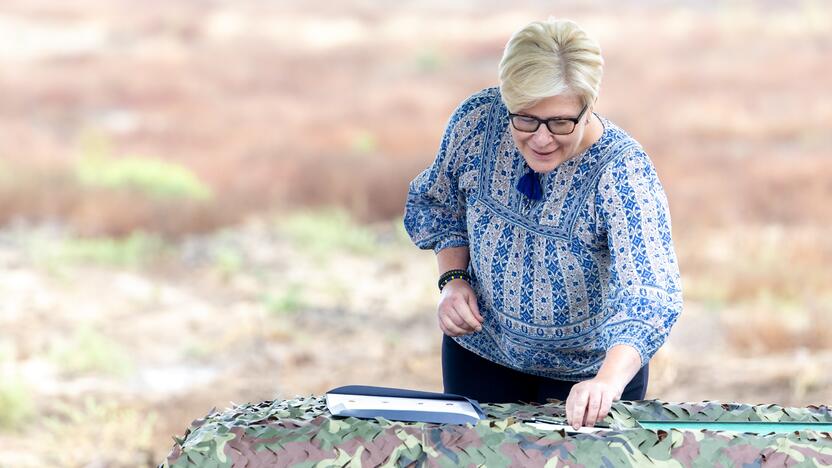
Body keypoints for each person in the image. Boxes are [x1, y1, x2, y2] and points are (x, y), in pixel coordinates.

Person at [403, 18, 683, 429]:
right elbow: (440, 205)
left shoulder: (623, 173)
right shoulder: (478, 124)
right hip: (481, 356)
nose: (541, 139)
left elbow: (650, 291)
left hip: (585, 379)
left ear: (589, 106)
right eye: (525, 119)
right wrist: (454, 280)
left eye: (561, 122)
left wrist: (606, 382)